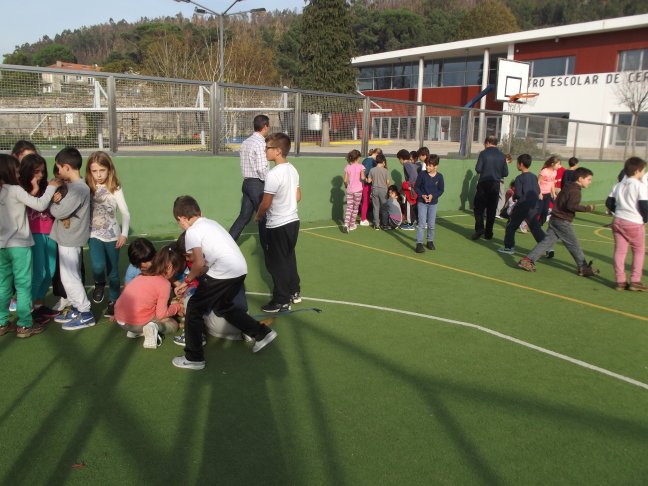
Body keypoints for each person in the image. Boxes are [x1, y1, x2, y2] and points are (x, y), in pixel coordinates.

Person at [172, 196, 277, 370]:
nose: (181, 225)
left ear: (181, 218)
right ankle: (262, 333)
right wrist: (190, 280)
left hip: (223, 272)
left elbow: (198, 263)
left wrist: (187, 280)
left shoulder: (192, 231)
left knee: (194, 309)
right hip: (239, 270)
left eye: (179, 222)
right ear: (199, 212)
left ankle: (194, 358)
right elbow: (205, 265)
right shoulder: (211, 223)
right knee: (224, 307)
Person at [0, 154, 60, 338]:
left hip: (2, 247)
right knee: (23, 285)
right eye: (16, 171)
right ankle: (24, 324)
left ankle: (2, 322)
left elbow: (22, 205)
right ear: (9, 172)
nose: (19, 175)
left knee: (3, 285)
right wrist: (50, 188)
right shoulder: (15, 190)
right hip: (19, 245)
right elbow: (41, 205)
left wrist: (34, 190)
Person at [518, 167, 597, 276]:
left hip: (555, 219)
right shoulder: (575, 191)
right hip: (562, 221)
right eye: (588, 179)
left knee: (546, 243)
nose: (590, 182)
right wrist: (587, 208)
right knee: (574, 245)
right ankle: (583, 268)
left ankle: (527, 260)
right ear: (580, 179)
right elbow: (571, 206)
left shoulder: (568, 187)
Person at [255, 132, 301, 312]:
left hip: (278, 224)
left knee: (276, 263)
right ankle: (294, 291)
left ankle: (281, 299)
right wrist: (286, 203)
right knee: (288, 257)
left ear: (278, 151)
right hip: (293, 221)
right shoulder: (293, 169)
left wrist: (258, 215)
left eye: (268, 148)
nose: (265, 151)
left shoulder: (273, 174)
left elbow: (265, 203)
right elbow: (298, 196)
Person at [49, 147, 95, 330]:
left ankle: (85, 313)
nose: (57, 173)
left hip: (70, 239)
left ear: (66, 167)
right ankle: (77, 308)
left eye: (58, 168)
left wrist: (53, 202)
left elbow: (60, 212)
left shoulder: (79, 189)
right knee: (68, 275)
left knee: (70, 278)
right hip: (67, 238)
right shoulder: (74, 187)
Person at [86, 151, 130, 318]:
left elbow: (125, 213)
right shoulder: (87, 187)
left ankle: (113, 300)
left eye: (102, 170)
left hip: (112, 236)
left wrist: (124, 234)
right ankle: (99, 282)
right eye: (94, 171)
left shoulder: (115, 188)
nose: (98, 175)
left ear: (109, 169)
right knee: (98, 266)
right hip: (94, 234)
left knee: (113, 271)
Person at [114, 245, 184, 348]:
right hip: (135, 322)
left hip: (121, 319)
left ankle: (138, 331)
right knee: (173, 324)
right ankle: (152, 327)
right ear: (169, 267)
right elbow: (161, 314)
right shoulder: (164, 283)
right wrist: (178, 307)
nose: (175, 274)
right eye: (176, 271)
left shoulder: (142, 275)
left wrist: (173, 304)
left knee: (158, 312)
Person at [18, 153, 60, 323]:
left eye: (42, 171)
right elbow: (22, 208)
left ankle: (38, 305)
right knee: (39, 272)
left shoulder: (47, 186)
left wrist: (56, 198)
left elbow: (50, 207)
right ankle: (27, 309)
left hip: (50, 232)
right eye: (36, 171)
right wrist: (34, 190)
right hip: (33, 234)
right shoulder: (20, 188)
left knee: (50, 270)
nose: (40, 175)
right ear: (27, 171)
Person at [606, 157, 648, 291]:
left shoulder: (618, 185)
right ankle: (635, 281)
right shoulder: (639, 185)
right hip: (634, 222)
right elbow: (644, 205)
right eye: (643, 170)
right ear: (637, 171)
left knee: (620, 251)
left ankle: (620, 281)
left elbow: (609, 202)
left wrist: (617, 211)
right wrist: (645, 219)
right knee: (639, 251)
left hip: (618, 220)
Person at [229, 114, 270, 247]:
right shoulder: (260, 143)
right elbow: (261, 168)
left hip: (246, 183)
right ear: (265, 127)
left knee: (244, 217)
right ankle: (267, 247)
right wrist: (268, 182)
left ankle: (227, 243)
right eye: (268, 126)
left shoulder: (246, 142)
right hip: (257, 184)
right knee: (263, 217)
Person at [497, 154, 546, 255]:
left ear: (521, 164)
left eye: (517, 163)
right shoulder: (533, 176)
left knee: (511, 226)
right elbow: (537, 190)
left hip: (523, 206)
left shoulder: (519, 178)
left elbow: (518, 194)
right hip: (534, 206)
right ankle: (547, 248)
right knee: (535, 227)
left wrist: (514, 198)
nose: (517, 165)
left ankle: (509, 248)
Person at [472, 135, 508, 240]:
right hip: (496, 184)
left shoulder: (483, 153)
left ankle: (479, 229)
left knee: (478, 208)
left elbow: (478, 168)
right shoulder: (502, 155)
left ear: (487, 142)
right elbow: (505, 173)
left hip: (484, 183)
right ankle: (488, 233)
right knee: (492, 210)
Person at [414, 155, 444, 253]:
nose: (427, 167)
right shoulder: (422, 175)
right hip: (422, 203)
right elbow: (416, 187)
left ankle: (430, 241)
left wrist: (433, 196)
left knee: (431, 224)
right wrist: (422, 195)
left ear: (436, 166)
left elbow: (441, 190)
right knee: (422, 223)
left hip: (433, 204)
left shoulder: (440, 177)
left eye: (430, 165)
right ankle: (419, 244)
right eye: (427, 165)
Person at [342, 149, 365, 233]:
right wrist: (365, 178)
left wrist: (346, 186)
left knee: (349, 208)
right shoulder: (361, 166)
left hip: (349, 190)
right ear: (358, 157)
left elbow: (345, 180)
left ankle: (345, 224)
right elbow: (362, 178)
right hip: (358, 190)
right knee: (355, 208)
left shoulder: (348, 167)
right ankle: (352, 225)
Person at [367, 153, 390, 230]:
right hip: (383, 190)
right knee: (384, 208)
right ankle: (385, 225)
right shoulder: (385, 170)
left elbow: (369, 181)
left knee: (376, 207)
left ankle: (376, 224)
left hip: (374, 189)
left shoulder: (372, 170)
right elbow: (388, 182)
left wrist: (365, 178)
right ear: (383, 161)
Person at [360, 148, 381, 226]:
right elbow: (364, 173)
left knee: (364, 201)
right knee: (365, 201)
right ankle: (363, 219)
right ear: (376, 154)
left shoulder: (366, 160)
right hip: (365, 184)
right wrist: (367, 180)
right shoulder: (370, 161)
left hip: (365, 183)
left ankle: (363, 217)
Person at [398, 148, 418, 230]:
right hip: (413, 188)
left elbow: (413, 176)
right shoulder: (411, 164)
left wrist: (408, 185)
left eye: (399, 159)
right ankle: (412, 221)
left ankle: (410, 225)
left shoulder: (406, 164)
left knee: (408, 205)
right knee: (411, 206)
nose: (399, 161)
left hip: (410, 189)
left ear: (401, 158)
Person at [538, 155, 560, 226]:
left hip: (547, 194)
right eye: (558, 164)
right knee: (539, 211)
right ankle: (526, 222)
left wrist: (553, 194)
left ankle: (538, 226)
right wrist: (540, 193)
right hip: (541, 194)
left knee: (545, 212)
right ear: (552, 164)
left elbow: (552, 183)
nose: (559, 166)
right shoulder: (544, 171)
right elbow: (538, 182)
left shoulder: (554, 172)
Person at [496, 153, 513, 218]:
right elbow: (505, 173)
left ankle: (487, 211)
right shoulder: (503, 163)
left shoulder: (496, 161)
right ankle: (496, 213)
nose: (508, 163)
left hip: (493, 180)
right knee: (502, 198)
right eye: (508, 161)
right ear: (507, 159)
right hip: (499, 181)